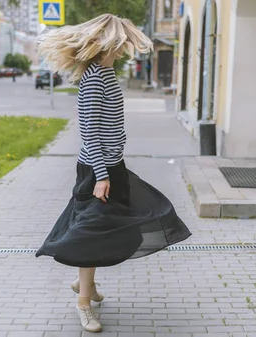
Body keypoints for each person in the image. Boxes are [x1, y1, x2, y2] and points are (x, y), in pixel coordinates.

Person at [35, 14, 192, 333]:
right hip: (97, 170)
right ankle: (84, 304)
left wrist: (111, 168)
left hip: (111, 167)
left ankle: (86, 286)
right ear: (109, 42)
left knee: (110, 227)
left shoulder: (105, 72)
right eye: (122, 41)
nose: (125, 47)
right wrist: (101, 175)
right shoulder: (94, 78)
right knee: (92, 232)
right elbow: (89, 131)